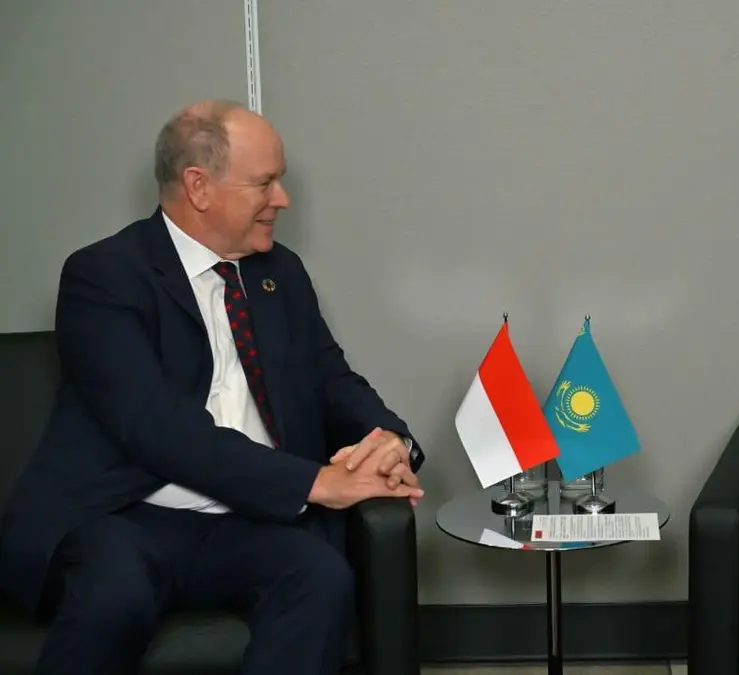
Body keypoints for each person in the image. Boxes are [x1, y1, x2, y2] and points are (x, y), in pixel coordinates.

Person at [0, 99, 426, 675]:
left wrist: (391, 441)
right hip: (124, 517)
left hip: (248, 522)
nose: (283, 199)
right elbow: (155, 426)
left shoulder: (281, 274)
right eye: (264, 183)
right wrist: (316, 482)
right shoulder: (105, 275)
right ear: (198, 186)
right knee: (114, 595)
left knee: (320, 577)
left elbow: (332, 380)